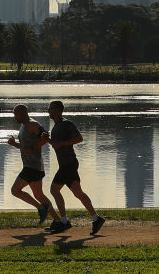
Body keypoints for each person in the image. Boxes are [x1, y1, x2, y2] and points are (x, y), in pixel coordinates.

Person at [43, 100, 105, 235]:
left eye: (51, 108)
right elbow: (57, 145)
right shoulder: (57, 126)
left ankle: (64, 221)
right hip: (67, 164)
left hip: (68, 164)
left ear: (58, 110)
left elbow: (79, 138)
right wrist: (47, 139)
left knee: (54, 190)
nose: (48, 110)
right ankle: (96, 218)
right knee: (77, 192)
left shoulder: (67, 124)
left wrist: (61, 143)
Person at [7, 104, 53, 224]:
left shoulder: (33, 124)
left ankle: (41, 208)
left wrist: (33, 148)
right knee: (39, 195)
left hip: (32, 167)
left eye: (16, 114)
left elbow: (45, 138)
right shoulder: (23, 126)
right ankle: (59, 221)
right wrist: (14, 144)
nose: (15, 117)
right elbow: (25, 148)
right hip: (32, 166)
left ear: (23, 113)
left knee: (15, 190)